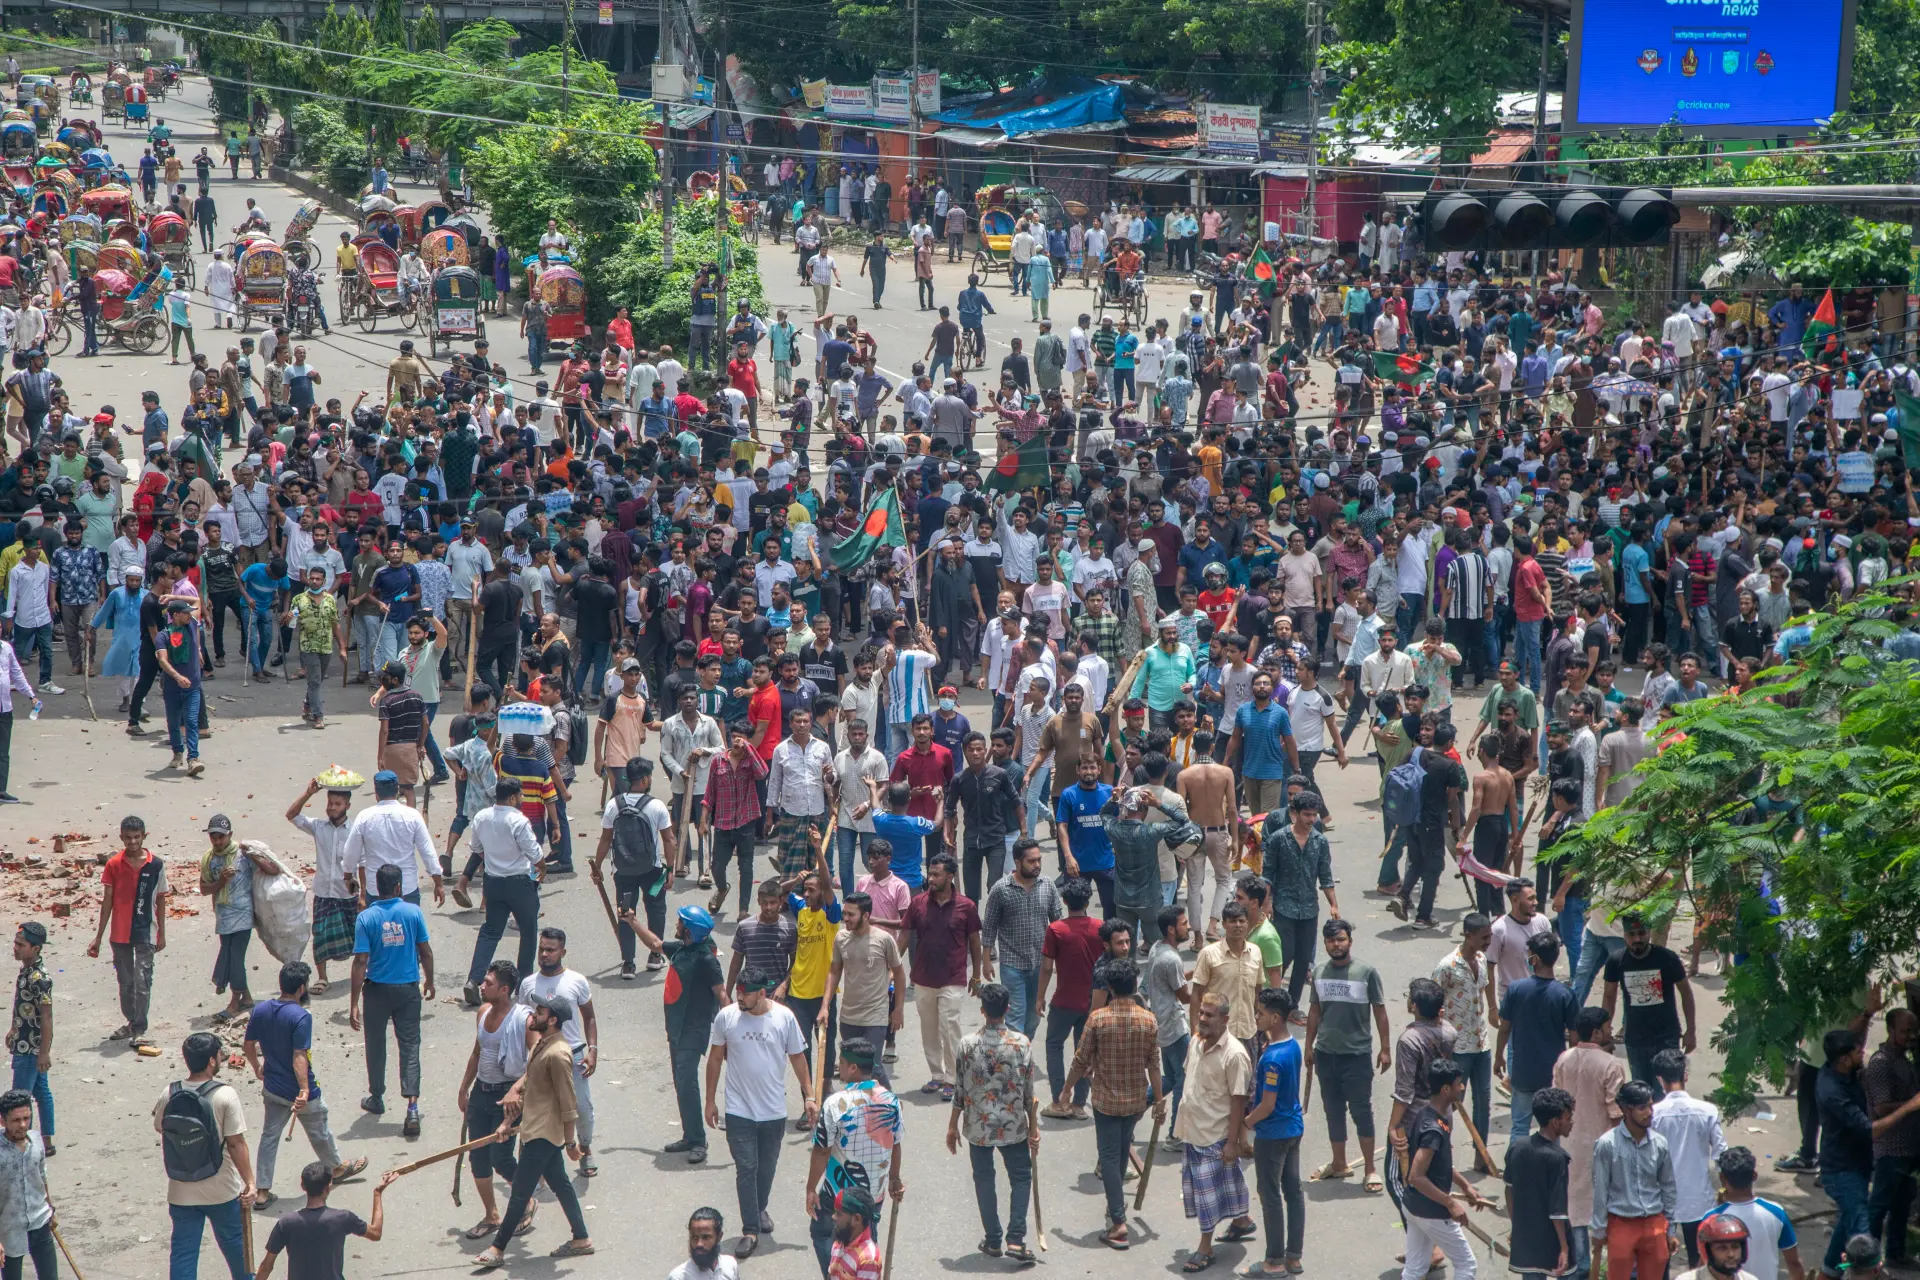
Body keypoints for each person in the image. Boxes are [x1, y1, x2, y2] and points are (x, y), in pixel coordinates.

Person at [473, 993, 596, 1267]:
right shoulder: (542, 1046)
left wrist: (570, 1143)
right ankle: (581, 1238)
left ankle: (497, 1249)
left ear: (552, 1020)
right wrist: (507, 1123)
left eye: (540, 1011)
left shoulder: (558, 1054)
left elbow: (568, 1103)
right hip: (534, 1129)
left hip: (543, 1135)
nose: (534, 1013)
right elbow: (530, 1091)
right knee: (561, 1184)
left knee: (519, 1193)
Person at [706, 966, 814, 1258]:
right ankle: (750, 1229)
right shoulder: (726, 1017)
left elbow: (797, 1057)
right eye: (738, 992)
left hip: (773, 1111)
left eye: (746, 993)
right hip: (739, 1109)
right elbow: (715, 1059)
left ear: (763, 993)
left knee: (766, 1169)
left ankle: (760, 1207)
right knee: (747, 1169)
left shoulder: (783, 1018)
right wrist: (710, 1101)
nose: (740, 997)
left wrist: (809, 1095)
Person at [242, 961, 368, 1208]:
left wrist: (258, 1067)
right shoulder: (301, 1016)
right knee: (319, 1129)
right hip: (300, 1091)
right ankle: (337, 1168)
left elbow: (248, 1046)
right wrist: (304, 1089)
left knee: (269, 1136)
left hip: (273, 1088)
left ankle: (263, 1191)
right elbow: (299, 1056)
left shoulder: (261, 1010)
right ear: (301, 988)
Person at [1061, 957, 1163, 1253]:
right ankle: (1115, 1204)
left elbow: (1081, 1059)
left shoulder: (1098, 1019)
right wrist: (1157, 1100)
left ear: (1108, 987)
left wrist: (1067, 1089)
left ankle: (1118, 1222)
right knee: (1119, 1151)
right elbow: (1153, 1064)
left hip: (1106, 1101)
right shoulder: (1148, 1019)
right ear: (1133, 986)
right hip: (1135, 1101)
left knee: (1109, 1157)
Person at [948, 982, 1039, 1263]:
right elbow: (1028, 1093)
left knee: (984, 1180)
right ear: (1008, 1009)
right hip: (1014, 1126)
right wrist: (1034, 1130)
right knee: (1021, 1178)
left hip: (978, 1127)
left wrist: (952, 1126)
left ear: (983, 1010)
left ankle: (993, 1239)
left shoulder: (967, 1044)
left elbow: (959, 1090)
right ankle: (1016, 1238)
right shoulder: (1021, 1043)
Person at [155, 1031, 255, 1280]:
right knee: (237, 1250)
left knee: (183, 1255)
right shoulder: (224, 1094)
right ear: (212, 1060)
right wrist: (251, 1182)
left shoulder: (170, 1092)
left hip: (180, 1188)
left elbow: (160, 1126)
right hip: (221, 1189)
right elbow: (235, 1144)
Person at [1301, 917, 1390, 1189]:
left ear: (1349, 941)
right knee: (1333, 1110)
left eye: (1340, 939)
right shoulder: (1319, 973)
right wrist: (1308, 1045)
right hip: (1326, 1054)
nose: (1336, 944)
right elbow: (1315, 1010)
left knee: (1361, 1111)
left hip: (1357, 1055)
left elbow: (1379, 1010)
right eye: (1330, 940)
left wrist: (1385, 1048)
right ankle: (1339, 1164)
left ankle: (1371, 1170)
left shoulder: (1366, 972)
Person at [348, 863, 433, 1136]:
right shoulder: (412, 912)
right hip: (407, 991)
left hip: (376, 991)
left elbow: (361, 961)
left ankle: (377, 1096)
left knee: (375, 1044)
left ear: (376, 887)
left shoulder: (366, 918)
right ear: (399, 887)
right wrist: (429, 980)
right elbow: (426, 951)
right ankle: (411, 1107)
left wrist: (352, 1003)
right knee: (410, 1046)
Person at [1398, 1057, 1493, 1280]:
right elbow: (1416, 1176)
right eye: (1459, 1083)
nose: (1462, 1087)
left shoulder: (1429, 1114)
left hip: (1413, 1207)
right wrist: (1450, 1203)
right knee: (1466, 1265)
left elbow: (1440, 1165)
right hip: (1432, 1212)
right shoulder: (1433, 1129)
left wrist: (1465, 1186)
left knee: (1414, 1269)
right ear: (1445, 1089)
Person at [516, 929, 600, 1179]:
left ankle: (584, 1147)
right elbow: (523, 1021)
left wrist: (592, 1050)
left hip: (572, 1057)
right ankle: (536, 1166)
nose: (544, 954)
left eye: (551, 950)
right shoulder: (528, 984)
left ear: (563, 952)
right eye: (541, 949)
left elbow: (590, 1017)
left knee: (582, 1108)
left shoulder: (577, 981)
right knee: (537, 1112)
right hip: (539, 1058)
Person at [455, 959, 530, 1235]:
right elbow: (477, 1052)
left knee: (501, 1158)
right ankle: (492, 1215)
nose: (482, 986)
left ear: (504, 989)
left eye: (488, 983)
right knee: (478, 1157)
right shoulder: (483, 1012)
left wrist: (515, 1089)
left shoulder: (524, 1019)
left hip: (507, 1098)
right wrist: (464, 1088)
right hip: (481, 1093)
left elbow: (535, 1060)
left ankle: (526, 1201)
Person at [86, 815, 170, 1047]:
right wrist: (98, 937)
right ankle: (132, 1021)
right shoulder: (114, 864)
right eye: (128, 838)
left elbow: (161, 899)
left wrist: (162, 932)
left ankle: (139, 1029)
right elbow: (107, 901)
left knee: (143, 980)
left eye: (137, 837)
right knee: (125, 982)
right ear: (121, 837)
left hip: (146, 930)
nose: (132, 842)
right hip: (120, 933)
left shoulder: (156, 865)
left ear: (144, 836)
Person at [463, 779, 544, 1002]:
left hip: (493, 883)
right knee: (528, 932)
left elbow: (477, 849)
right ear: (512, 798)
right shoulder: (519, 821)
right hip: (519, 883)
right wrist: (542, 869)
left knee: (490, 931)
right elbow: (535, 855)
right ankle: (523, 986)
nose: (523, 799)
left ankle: (474, 979)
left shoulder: (481, 817)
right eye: (521, 795)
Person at [1245, 987, 1306, 1276]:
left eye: (1261, 1013)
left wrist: (1246, 1122)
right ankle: (1293, 1257)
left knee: (1270, 1196)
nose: (1257, 1017)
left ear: (1276, 1018)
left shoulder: (1272, 1058)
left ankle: (1274, 1261)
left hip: (1273, 1134)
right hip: (1293, 1128)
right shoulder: (1292, 1046)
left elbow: (1267, 1105)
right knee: (1293, 1191)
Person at [1496, 931, 1578, 1148]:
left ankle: (1515, 1173)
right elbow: (1575, 1038)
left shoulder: (1516, 989)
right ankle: (1551, 1170)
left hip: (1523, 1072)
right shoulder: (1565, 995)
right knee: (1554, 1127)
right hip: (1552, 1074)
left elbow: (1504, 1028)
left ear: (1535, 959)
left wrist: (1498, 1058)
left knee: (1520, 1125)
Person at [1590, 1079, 1678, 1280]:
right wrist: (1598, 1230)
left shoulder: (1660, 1143)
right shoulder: (1607, 1144)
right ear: (1626, 1110)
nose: (1649, 1112)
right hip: (1621, 1223)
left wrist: (1670, 1227)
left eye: (1650, 1106)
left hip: (1655, 1222)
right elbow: (1600, 1189)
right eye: (1642, 1108)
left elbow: (1668, 1187)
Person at [821, 889, 907, 1091]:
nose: (846, 919)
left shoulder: (884, 940)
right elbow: (834, 972)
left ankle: (890, 1107)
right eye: (845, 913)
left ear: (866, 915)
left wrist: (899, 1009)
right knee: (852, 1070)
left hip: (875, 1018)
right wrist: (824, 1006)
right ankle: (862, 1112)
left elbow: (900, 974)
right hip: (849, 1017)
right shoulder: (841, 939)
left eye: (851, 914)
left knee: (873, 1069)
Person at [1600, 912, 1696, 1087]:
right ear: (1624, 936)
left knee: (1668, 1090)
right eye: (1631, 934)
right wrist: (1605, 1030)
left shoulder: (1667, 958)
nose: (1637, 938)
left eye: (1642, 933)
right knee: (1642, 1093)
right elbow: (1608, 997)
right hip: (1635, 1039)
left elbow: (1686, 994)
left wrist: (1691, 1031)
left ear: (1649, 932)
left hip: (1666, 1037)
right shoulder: (1616, 961)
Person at [197, 815, 277, 1026]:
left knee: (235, 956)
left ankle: (235, 1002)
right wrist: (221, 881)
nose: (217, 841)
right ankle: (247, 997)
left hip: (243, 913)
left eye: (221, 837)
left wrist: (254, 855)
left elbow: (273, 869)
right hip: (223, 915)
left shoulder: (242, 855)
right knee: (230, 954)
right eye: (213, 837)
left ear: (230, 835)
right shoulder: (208, 859)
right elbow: (204, 889)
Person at [255, 1162, 395, 1280]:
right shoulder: (342, 1218)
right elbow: (376, 1233)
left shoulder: (286, 1223)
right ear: (328, 1187)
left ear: (303, 1187)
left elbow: (266, 1266)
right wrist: (378, 1193)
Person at [980, 838, 1062, 1038]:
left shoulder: (1047, 885)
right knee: (1015, 1018)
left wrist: (1061, 958)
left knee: (1033, 1016)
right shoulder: (1001, 889)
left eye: (1039, 860)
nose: (1037, 865)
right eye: (1031, 861)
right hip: (1012, 965)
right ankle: (1017, 1061)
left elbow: (1058, 924)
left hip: (1040, 965)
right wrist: (986, 961)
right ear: (1017, 862)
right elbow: (989, 926)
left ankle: (1024, 1051)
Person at [1700, 1146, 1806, 1280]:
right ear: (1754, 1175)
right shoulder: (1776, 1213)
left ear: (1722, 1178)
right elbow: (1794, 1263)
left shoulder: (1711, 1219)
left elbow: (1704, 1264)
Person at [1504, 1087, 1576, 1280]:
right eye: (1568, 1118)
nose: (1571, 1123)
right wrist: (1564, 1247)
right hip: (1550, 1239)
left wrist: (1516, 1225)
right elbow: (1557, 1209)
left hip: (1526, 1237)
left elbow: (1509, 1189)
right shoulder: (1557, 1158)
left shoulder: (1517, 1146)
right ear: (1555, 1122)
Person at [7, 924, 55, 1158]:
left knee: (20, 1099)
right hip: (23, 1041)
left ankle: (24, 1143)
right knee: (41, 1092)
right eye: (15, 943)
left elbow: (46, 1017)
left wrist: (43, 1052)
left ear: (35, 948)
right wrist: (12, 1029)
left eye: (20, 945)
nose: (15, 948)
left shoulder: (39, 978)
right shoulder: (26, 972)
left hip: (30, 1049)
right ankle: (46, 1141)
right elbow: (24, 1009)